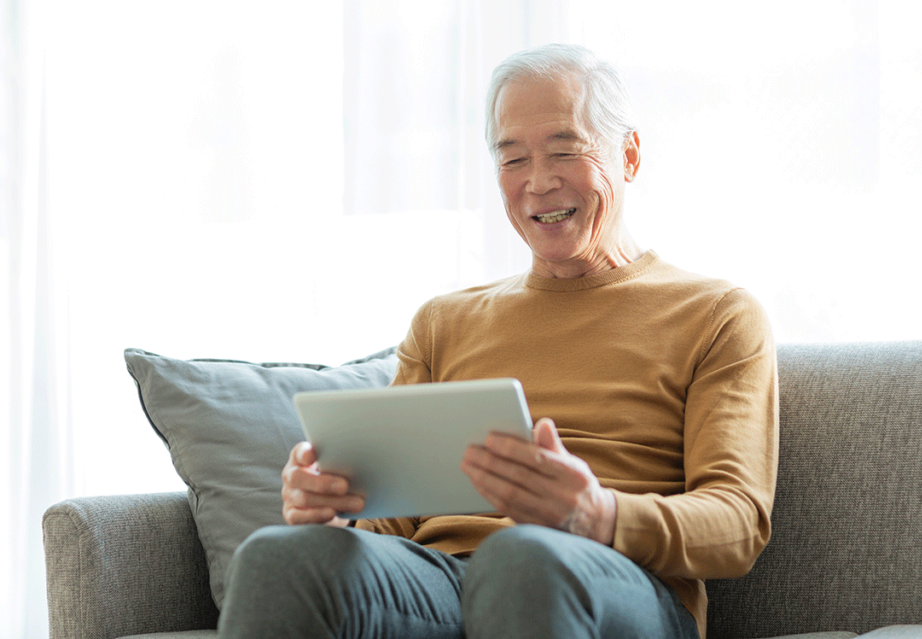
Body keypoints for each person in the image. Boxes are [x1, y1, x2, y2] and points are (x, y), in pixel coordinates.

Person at [217, 44, 778, 639]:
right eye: (512, 160)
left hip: (614, 583)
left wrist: (598, 514)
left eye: (565, 150)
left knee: (524, 559)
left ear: (629, 156)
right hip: (444, 583)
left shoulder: (717, 315)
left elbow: (738, 523)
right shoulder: (444, 322)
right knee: (278, 554)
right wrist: (327, 511)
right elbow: (388, 531)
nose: (538, 182)